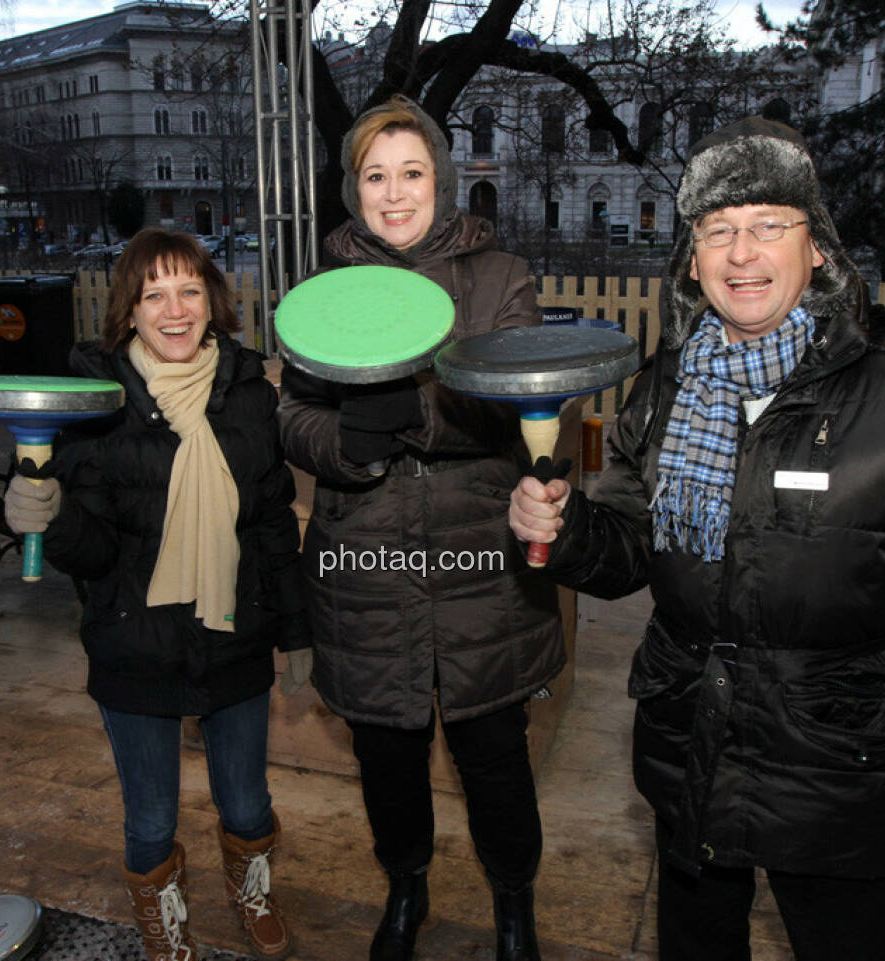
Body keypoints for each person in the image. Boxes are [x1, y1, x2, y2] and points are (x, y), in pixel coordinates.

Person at [509, 117, 885, 960]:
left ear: (816, 248)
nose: (742, 253)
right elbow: (631, 547)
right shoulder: (668, 385)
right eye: (718, 231)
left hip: (837, 770)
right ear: (693, 257)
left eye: (767, 225)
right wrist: (562, 531)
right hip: (690, 748)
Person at [277, 95, 564, 961]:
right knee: (387, 762)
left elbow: (517, 401)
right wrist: (349, 441)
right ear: (351, 189)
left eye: (412, 173)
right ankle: (406, 888)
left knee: (495, 759)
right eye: (375, 176)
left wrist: (419, 412)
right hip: (364, 567)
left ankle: (514, 900)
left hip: (482, 566)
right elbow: (291, 415)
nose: (394, 194)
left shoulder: (500, 276)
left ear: (440, 180)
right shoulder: (322, 293)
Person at [3, 228, 308, 961]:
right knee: (150, 817)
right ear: (128, 311)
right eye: (154, 294)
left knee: (246, 801)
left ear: (214, 301)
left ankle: (252, 889)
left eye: (190, 290)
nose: (174, 310)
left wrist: (296, 629)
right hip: (134, 638)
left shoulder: (248, 396)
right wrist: (51, 517)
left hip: (234, 630)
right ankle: (163, 922)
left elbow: (269, 519)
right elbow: (97, 551)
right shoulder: (98, 407)